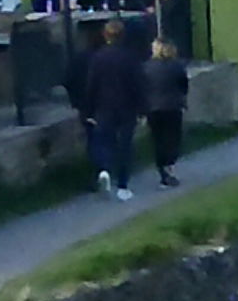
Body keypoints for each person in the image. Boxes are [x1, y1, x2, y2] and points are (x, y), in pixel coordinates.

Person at [69, 15, 151, 201]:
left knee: (102, 140)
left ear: (105, 36)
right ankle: (123, 185)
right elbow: (139, 84)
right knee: (125, 145)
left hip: (104, 106)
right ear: (123, 36)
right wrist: (143, 109)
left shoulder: (98, 58)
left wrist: (87, 110)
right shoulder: (130, 58)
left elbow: (92, 84)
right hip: (127, 107)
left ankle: (104, 168)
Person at [144, 35, 192, 186]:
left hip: (153, 107)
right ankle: (169, 165)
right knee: (173, 138)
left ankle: (162, 169)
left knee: (158, 139)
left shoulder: (146, 67)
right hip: (172, 106)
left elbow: (143, 87)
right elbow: (184, 86)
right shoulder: (177, 66)